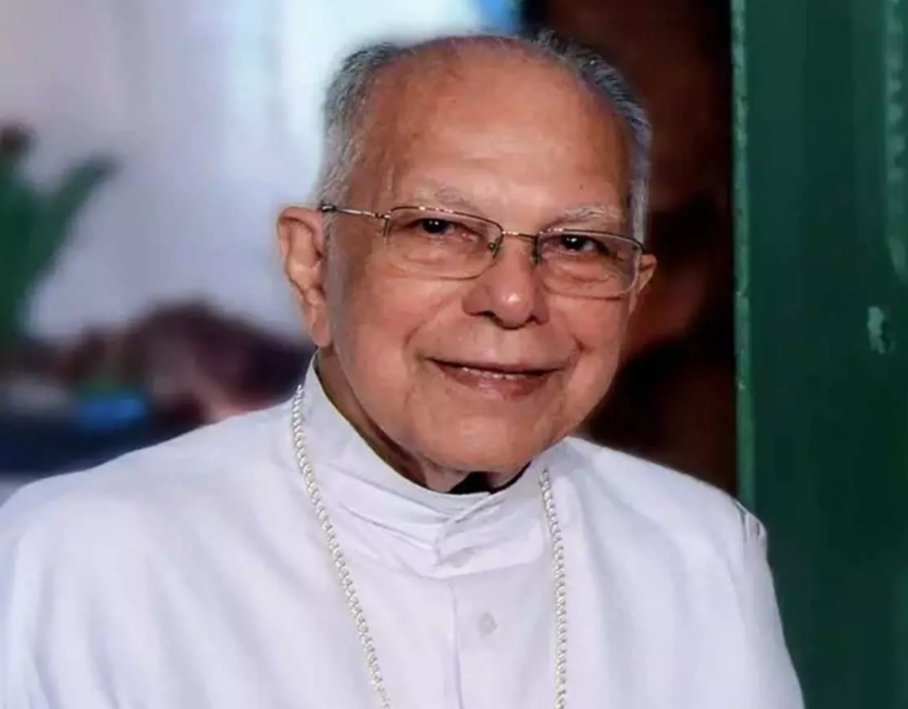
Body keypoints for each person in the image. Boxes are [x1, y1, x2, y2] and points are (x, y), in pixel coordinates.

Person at [0, 31, 803, 708]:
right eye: (439, 228)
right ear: (313, 266)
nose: (514, 298)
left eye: (577, 244)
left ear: (633, 292)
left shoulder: (699, 554)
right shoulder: (76, 560)